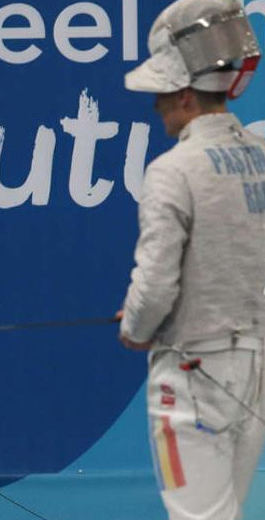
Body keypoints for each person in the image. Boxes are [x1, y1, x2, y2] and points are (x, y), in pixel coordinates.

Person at [118, 0, 265, 518]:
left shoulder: (173, 171)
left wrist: (136, 327)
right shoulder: (261, 155)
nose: (157, 106)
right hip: (254, 367)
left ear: (183, 93)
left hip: (192, 374)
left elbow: (156, 285)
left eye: (162, 94)